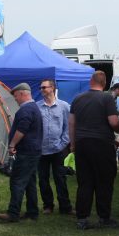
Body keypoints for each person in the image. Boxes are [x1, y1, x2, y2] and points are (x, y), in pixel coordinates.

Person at [70, 71, 119, 229]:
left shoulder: (77, 99)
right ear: (104, 83)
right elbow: (113, 122)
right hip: (102, 144)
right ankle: (104, 217)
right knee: (104, 181)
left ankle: (82, 218)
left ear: (90, 81)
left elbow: (72, 123)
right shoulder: (107, 98)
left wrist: (73, 145)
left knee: (85, 181)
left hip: (82, 144)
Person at [0, 83, 43, 223]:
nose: (15, 99)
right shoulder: (34, 108)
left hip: (26, 151)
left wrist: (12, 144)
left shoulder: (26, 110)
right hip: (33, 151)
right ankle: (32, 212)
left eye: (16, 96)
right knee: (29, 182)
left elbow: (21, 130)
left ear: (22, 94)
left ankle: (13, 213)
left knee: (17, 181)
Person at [35, 78, 72, 215]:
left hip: (58, 149)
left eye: (44, 87)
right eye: (41, 88)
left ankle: (65, 206)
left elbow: (68, 126)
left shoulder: (64, 106)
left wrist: (63, 144)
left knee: (60, 178)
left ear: (52, 88)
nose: (42, 90)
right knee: (43, 179)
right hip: (42, 150)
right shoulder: (37, 107)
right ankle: (48, 205)